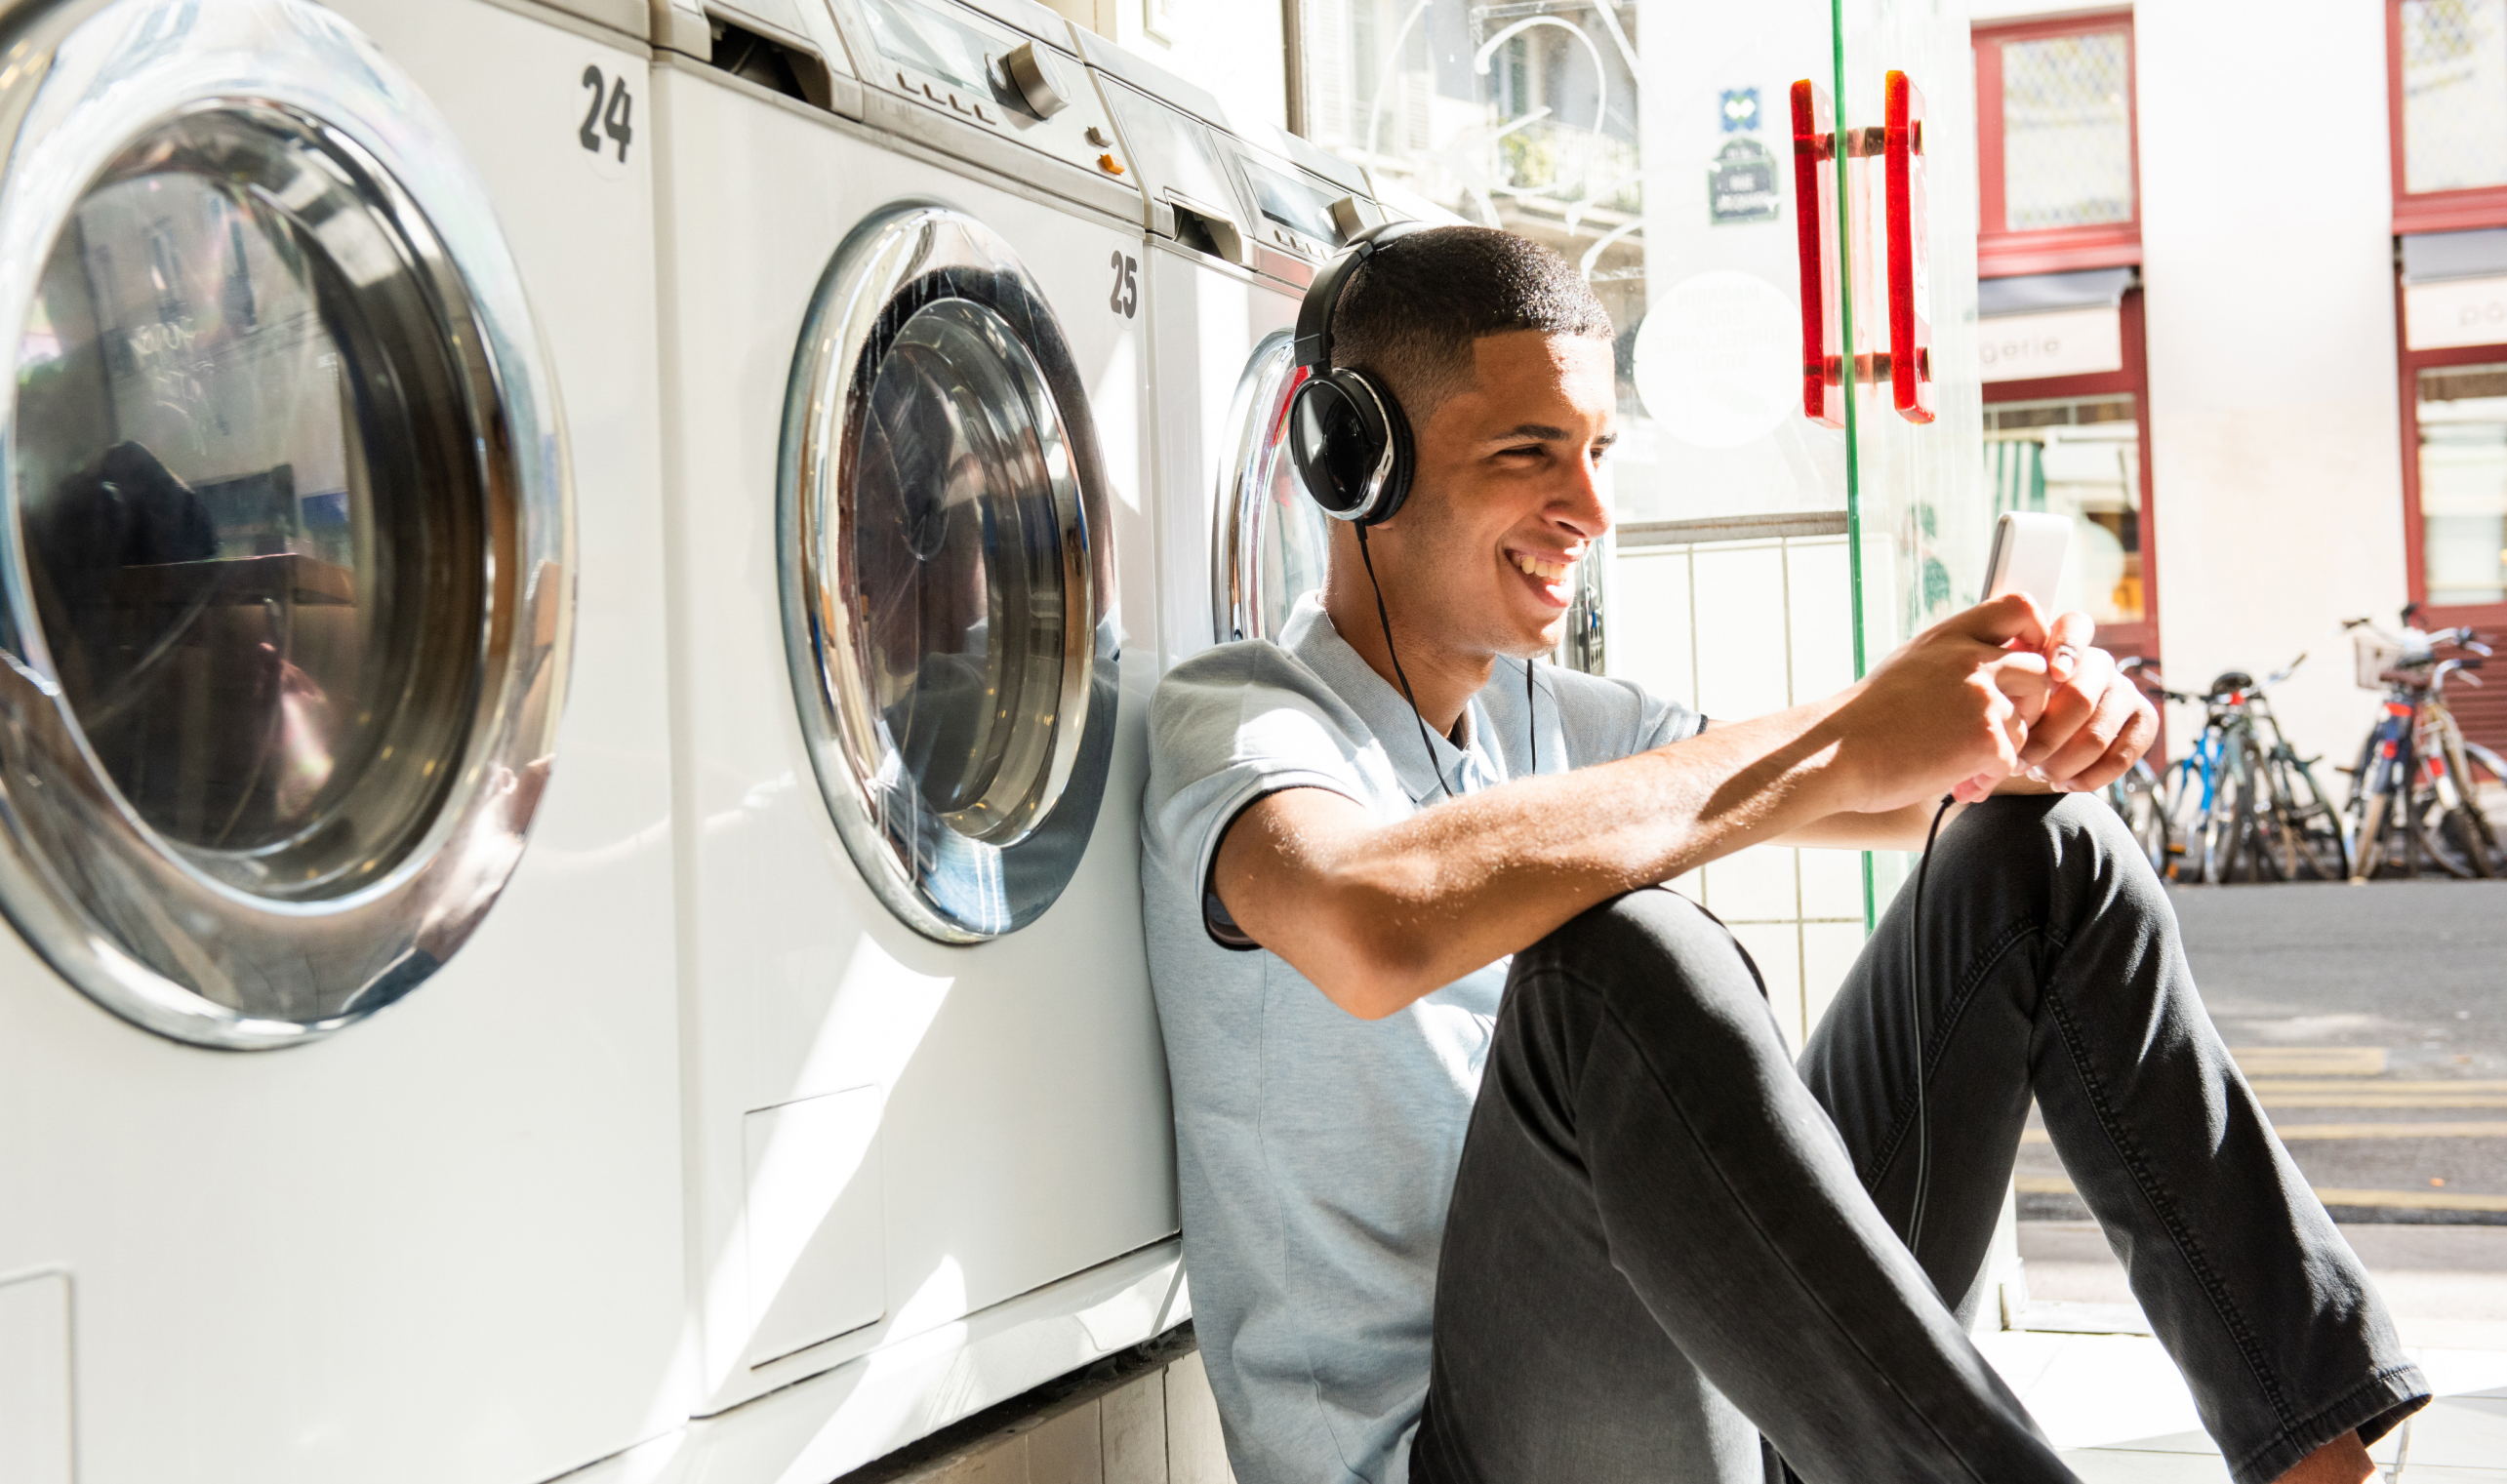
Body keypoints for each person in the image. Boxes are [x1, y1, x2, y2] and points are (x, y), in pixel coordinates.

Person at [1139, 225, 2426, 1484]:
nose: (1588, 507)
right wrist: (1851, 743)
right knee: (1619, 961)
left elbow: (1870, 799)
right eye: (1530, 453)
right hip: (1453, 1452)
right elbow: (1373, 925)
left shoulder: (1564, 720)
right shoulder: (1239, 722)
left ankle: (2314, 1459)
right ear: (1354, 459)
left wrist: (2018, 730)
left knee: (2040, 854)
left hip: (1717, 1398)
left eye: (1597, 452)